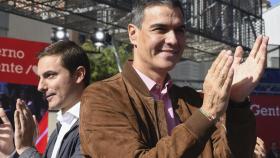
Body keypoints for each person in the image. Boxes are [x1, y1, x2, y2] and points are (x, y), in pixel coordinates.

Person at [79, 1, 268, 157]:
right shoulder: (102, 97)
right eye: (160, 29)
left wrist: (237, 102)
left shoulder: (192, 100)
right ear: (133, 34)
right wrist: (206, 114)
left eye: (179, 30)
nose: (173, 40)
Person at [0, 40, 91, 158]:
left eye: (50, 75)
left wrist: (26, 148)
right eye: (39, 77)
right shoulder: (62, 125)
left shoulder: (96, 125)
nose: (40, 87)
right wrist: (10, 153)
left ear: (78, 75)